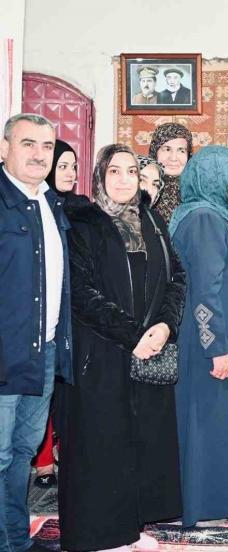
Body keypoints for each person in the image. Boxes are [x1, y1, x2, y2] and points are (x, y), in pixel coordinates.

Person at [58, 143, 185, 552]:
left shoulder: (151, 221)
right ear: (99, 176)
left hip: (149, 349)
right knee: (101, 445)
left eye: (132, 171)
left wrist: (165, 325)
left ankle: (130, 528)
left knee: (139, 443)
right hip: (99, 355)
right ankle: (101, 536)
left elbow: (177, 278)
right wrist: (133, 336)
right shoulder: (83, 223)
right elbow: (80, 293)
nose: (125, 179)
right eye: (115, 171)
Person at [170, 145, 228, 527]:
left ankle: (223, 500)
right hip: (212, 346)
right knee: (208, 424)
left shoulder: (221, 218)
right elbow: (205, 291)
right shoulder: (204, 219)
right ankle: (204, 503)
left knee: (223, 424)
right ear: (213, 177)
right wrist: (216, 347)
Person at [0, 113, 73, 552]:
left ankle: (14, 539)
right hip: (5, 353)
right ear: (4, 147)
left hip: (42, 352)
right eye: (28, 143)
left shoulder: (49, 202)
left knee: (23, 452)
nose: (38, 154)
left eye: (47, 146)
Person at [33, 139, 88, 490]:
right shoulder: (37, 205)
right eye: (63, 166)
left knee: (68, 392)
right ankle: (43, 464)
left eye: (73, 166)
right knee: (42, 393)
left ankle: (67, 456)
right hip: (46, 314)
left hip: (77, 313)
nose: (70, 173)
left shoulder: (83, 208)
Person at [149, 122, 193, 222]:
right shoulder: (140, 189)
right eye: (167, 149)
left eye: (181, 150)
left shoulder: (197, 192)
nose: (173, 158)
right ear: (154, 152)